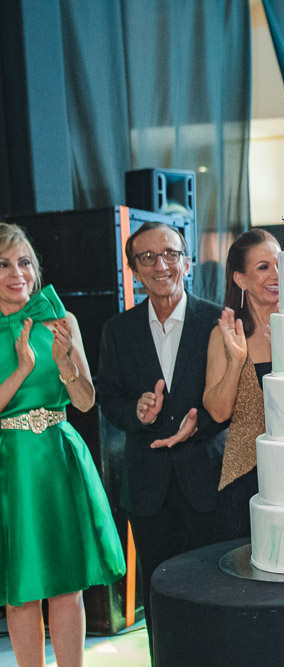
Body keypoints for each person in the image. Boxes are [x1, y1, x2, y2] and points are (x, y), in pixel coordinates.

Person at [97, 221, 226, 656]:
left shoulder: (218, 320)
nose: (160, 265)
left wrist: (199, 423)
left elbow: (234, 396)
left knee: (216, 592)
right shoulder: (118, 329)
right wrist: (135, 411)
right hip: (147, 486)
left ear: (187, 262)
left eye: (170, 254)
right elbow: (108, 398)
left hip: (207, 479)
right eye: (147, 257)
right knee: (160, 597)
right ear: (134, 270)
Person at [0, 223, 125, 667]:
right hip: (11, 464)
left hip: (58, 456)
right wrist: (22, 368)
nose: (17, 273)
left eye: (25, 262)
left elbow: (86, 402)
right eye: (4, 264)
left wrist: (64, 363)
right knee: (21, 592)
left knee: (67, 585)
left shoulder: (61, 319)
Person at [203, 229, 280, 541]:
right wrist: (236, 362)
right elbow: (219, 412)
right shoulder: (223, 335)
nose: (276, 274)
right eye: (263, 267)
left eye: (280, 264)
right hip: (245, 477)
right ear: (240, 279)